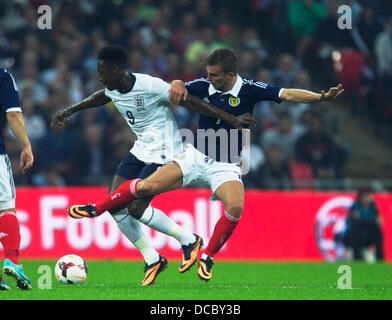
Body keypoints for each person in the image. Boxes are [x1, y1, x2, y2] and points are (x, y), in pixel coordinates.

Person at [69, 48, 344, 282]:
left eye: (214, 75)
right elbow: (177, 88)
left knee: (236, 206)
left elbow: (287, 94)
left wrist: (319, 97)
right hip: (194, 156)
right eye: (208, 74)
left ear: (231, 75)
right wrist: (177, 81)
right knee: (145, 186)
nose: (208, 79)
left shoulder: (250, 89)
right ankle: (98, 207)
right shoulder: (203, 86)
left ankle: (208, 256)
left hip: (225, 163)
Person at [51, 45, 255, 286]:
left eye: (103, 72)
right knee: (115, 203)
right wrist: (71, 109)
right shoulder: (113, 87)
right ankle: (153, 258)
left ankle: (189, 240)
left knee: (135, 208)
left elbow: (190, 102)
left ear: (116, 70)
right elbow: (102, 96)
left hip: (164, 152)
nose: (100, 77)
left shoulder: (150, 86)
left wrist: (230, 119)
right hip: (140, 149)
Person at [0, 68, 34, 290]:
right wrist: (26, 145)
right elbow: (13, 114)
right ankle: (12, 260)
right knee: (6, 210)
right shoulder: (2, 75)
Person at [343, 186, 384, 261]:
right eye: (368, 195)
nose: (371, 197)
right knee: (357, 230)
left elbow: (378, 221)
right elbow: (355, 222)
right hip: (353, 237)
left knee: (378, 232)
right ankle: (357, 258)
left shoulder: (373, 207)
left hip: (368, 235)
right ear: (362, 197)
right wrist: (371, 221)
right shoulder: (355, 206)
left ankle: (380, 258)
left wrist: (368, 221)